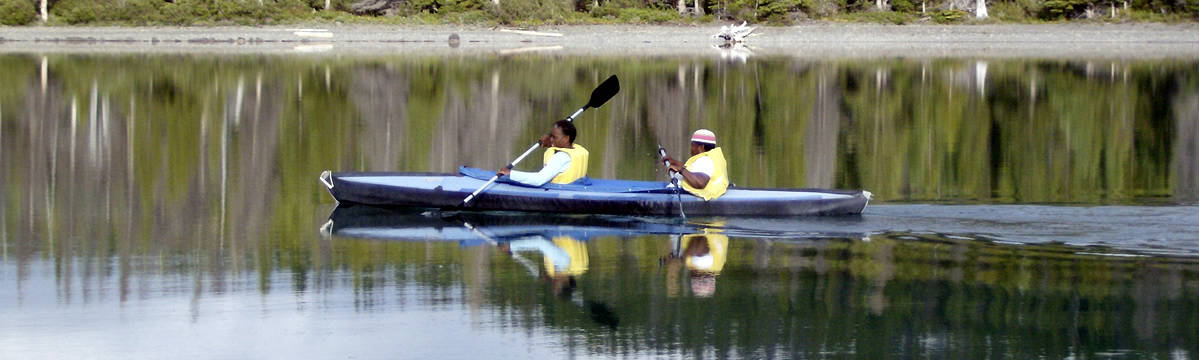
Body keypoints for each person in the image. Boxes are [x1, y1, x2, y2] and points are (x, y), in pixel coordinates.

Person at [497, 119, 589, 187]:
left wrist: (510, 173)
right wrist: (551, 143)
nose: (551, 139)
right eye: (550, 136)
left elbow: (539, 179)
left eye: (554, 137)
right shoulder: (576, 148)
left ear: (566, 138)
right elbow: (560, 145)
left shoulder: (561, 157)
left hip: (560, 194)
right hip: (576, 187)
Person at [662, 129, 729, 201]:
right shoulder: (705, 158)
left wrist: (681, 169)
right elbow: (693, 170)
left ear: (701, 147)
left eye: (693, 145)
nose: (691, 149)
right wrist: (674, 162)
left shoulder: (706, 161)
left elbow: (700, 183)